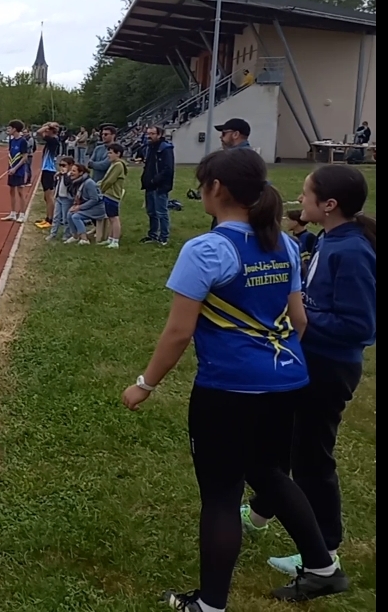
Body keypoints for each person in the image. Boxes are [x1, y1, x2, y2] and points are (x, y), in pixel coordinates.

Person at [122, 149, 350, 611]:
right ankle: (323, 567)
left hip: (228, 389)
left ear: (216, 189)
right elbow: (299, 320)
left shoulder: (206, 250)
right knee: (268, 473)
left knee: (222, 494)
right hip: (285, 381)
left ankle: (209, 605)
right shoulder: (283, 243)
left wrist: (145, 384)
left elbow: (179, 332)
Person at [244, 164, 375, 578]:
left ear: (329, 204)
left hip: (330, 368)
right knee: (284, 441)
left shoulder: (352, 252)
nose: (300, 200)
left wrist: (300, 315)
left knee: (312, 460)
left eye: (306, 193)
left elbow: (360, 326)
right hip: (310, 361)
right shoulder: (330, 240)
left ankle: (325, 550)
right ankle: (260, 513)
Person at [139, 126, 175, 246]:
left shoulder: (165, 149)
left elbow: (168, 168)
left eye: (152, 134)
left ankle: (164, 237)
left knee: (161, 212)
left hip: (159, 186)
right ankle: (153, 234)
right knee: (151, 212)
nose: (149, 136)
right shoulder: (149, 148)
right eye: (148, 133)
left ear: (159, 135)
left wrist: (156, 180)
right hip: (149, 185)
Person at [66, 163, 105, 245]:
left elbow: (94, 199)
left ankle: (84, 239)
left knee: (76, 216)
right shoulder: (77, 182)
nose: (71, 173)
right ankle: (75, 236)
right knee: (70, 213)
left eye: (74, 171)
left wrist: (80, 207)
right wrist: (75, 206)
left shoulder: (89, 183)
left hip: (97, 208)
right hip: (89, 207)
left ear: (81, 173)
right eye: (71, 170)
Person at [99, 143, 127, 248]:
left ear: (118, 153)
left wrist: (102, 188)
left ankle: (115, 241)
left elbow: (110, 180)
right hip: (108, 194)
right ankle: (110, 238)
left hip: (112, 194)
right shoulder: (114, 164)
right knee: (110, 218)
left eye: (110, 153)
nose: (108, 155)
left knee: (114, 218)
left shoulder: (118, 165)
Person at [35, 123, 64, 227]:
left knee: (49, 196)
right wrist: (48, 126)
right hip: (46, 170)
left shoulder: (53, 140)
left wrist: (48, 126)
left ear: (51, 131)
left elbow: (39, 132)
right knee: (46, 197)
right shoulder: (52, 139)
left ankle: (50, 220)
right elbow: (41, 134)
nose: (45, 131)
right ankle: (47, 218)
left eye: (47, 130)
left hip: (49, 170)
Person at [2, 120, 30, 223]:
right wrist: (10, 167)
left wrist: (15, 168)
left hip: (19, 170)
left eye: (9, 128)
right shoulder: (11, 141)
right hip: (11, 169)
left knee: (20, 192)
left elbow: (25, 157)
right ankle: (13, 213)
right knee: (11, 191)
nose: (8, 130)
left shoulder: (23, 141)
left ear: (15, 129)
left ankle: (22, 214)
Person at [46, 155, 78, 242]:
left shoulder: (71, 175)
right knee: (56, 217)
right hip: (59, 197)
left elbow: (67, 183)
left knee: (65, 218)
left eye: (64, 165)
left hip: (67, 199)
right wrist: (57, 177)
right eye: (60, 165)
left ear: (70, 165)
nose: (61, 167)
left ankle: (67, 234)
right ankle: (53, 234)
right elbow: (56, 184)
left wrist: (64, 175)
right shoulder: (61, 174)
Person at [284, 210, 319, 282]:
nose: (286, 223)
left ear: (295, 222)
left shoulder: (309, 237)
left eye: (288, 220)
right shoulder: (290, 238)